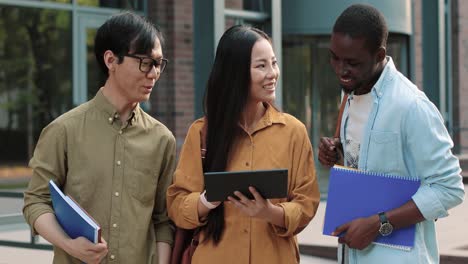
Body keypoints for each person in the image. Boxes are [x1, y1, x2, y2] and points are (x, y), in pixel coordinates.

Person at [23, 11, 176, 264]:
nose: (154, 73)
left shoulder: (162, 140)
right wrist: (69, 245)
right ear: (111, 60)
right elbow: (36, 202)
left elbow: (162, 220)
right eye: (145, 62)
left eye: (159, 64)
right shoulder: (63, 130)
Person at [318, 4, 465, 264]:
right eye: (334, 57)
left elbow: (449, 188)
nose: (340, 70)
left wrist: (379, 224)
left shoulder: (411, 106)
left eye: (352, 62)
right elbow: (371, 163)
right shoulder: (350, 95)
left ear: (379, 55)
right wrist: (339, 153)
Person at [166, 25, 320, 264]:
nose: (273, 73)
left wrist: (271, 213)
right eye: (261, 66)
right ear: (235, 72)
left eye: (274, 63)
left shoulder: (293, 132)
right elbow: (177, 204)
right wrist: (207, 201)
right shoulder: (201, 133)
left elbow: (307, 204)